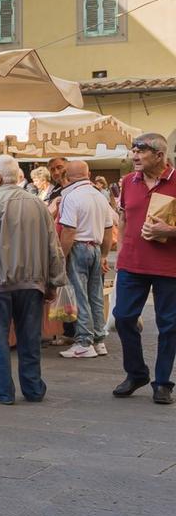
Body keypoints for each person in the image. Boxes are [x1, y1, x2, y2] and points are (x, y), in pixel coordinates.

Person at [0, 154, 67, 405]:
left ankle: (3, 390)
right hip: (32, 282)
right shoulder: (38, 204)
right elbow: (53, 247)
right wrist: (53, 281)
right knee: (30, 337)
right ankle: (32, 388)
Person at [111, 133, 176, 404]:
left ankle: (162, 383)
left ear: (159, 155)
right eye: (133, 150)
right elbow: (124, 218)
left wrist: (169, 230)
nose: (134, 156)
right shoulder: (128, 181)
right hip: (132, 264)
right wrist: (121, 254)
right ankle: (136, 373)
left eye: (141, 151)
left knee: (169, 326)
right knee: (123, 318)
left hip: (169, 266)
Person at [57, 161, 116, 360]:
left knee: (80, 295)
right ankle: (99, 340)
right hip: (96, 248)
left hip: (78, 247)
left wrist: (60, 257)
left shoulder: (71, 196)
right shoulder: (100, 196)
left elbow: (68, 231)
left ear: (67, 175)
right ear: (88, 174)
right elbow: (109, 230)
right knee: (95, 296)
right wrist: (105, 255)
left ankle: (83, 341)